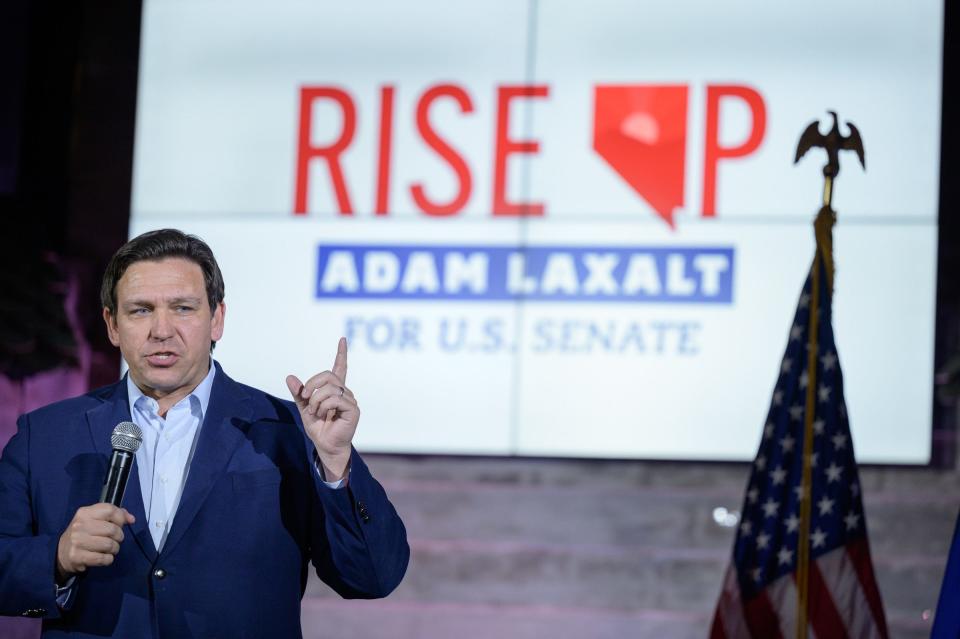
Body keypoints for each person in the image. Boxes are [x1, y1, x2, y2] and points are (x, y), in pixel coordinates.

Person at [0, 229, 409, 638]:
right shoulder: (45, 435)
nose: (161, 330)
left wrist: (336, 462)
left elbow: (372, 578)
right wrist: (54, 558)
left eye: (182, 308)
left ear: (217, 319)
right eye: (140, 310)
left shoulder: (286, 430)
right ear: (112, 324)